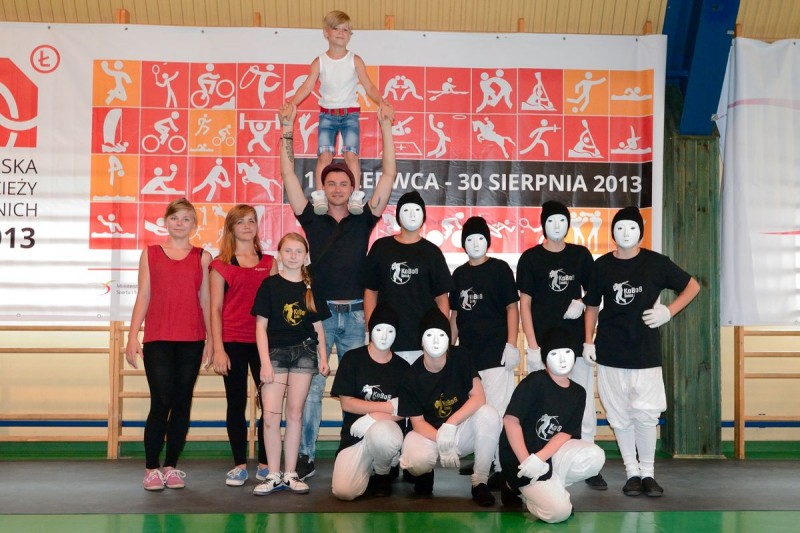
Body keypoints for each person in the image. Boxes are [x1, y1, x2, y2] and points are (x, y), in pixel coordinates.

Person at [278, 101, 397, 481]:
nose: (338, 188)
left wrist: (386, 127)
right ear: (323, 187)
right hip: (320, 316)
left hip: (357, 316)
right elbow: (288, 175)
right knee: (311, 389)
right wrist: (287, 131)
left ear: (352, 187)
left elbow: (389, 175)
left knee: (358, 390)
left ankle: (353, 450)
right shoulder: (311, 218)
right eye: (331, 183)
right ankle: (305, 455)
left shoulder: (364, 220)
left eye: (344, 183)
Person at [582, 206, 701, 497]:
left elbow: (692, 286)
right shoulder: (602, 265)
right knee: (620, 416)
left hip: (646, 352)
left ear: (641, 232)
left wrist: (668, 311)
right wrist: (588, 341)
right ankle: (631, 473)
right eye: (620, 227)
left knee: (646, 415)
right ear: (613, 233)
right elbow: (592, 306)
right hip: (611, 351)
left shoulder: (656, 263)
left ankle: (648, 473)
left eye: (632, 227)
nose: (626, 233)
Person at [515, 200, 607, 489]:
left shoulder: (580, 255)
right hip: (544, 350)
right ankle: (536, 457)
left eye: (562, 221)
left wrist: (581, 306)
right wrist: (532, 347)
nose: (557, 226)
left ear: (569, 225)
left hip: (575, 347)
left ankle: (589, 462)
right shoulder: (530, 258)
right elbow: (524, 304)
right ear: (543, 225)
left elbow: (595, 293)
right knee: (539, 404)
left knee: (583, 404)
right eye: (551, 221)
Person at [125, 198, 213, 491]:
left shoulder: (203, 257)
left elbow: (206, 301)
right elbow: (143, 295)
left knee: (182, 402)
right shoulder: (150, 253)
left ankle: (171, 466)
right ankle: (151, 468)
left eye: (186, 219)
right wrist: (132, 336)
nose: (180, 223)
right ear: (166, 221)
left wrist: (212, 340)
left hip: (192, 339)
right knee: (161, 400)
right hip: (158, 338)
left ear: (194, 224)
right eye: (175, 218)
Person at [289, 10, 394, 215]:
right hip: (327, 115)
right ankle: (320, 196)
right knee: (324, 156)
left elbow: (369, 86)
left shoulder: (355, 60)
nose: (341, 33)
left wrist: (383, 102)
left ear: (350, 35)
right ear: (326, 33)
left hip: (350, 115)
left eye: (346, 30)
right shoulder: (320, 61)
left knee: (351, 155)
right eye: (336, 28)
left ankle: (355, 197)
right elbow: (307, 86)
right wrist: (291, 103)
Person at [250, 232, 331, 496]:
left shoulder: (311, 287)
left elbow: (318, 326)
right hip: (275, 353)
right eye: (288, 251)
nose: (293, 256)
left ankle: (291, 473)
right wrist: (265, 363)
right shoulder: (270, 285)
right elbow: (260, 327)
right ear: (279, 255)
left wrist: (323, 357)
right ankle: (273, 474)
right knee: (271, 416)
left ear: (305, 256)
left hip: (304, 352)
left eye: (298, 251)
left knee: (295, 414)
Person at [499, 328, 605, 523]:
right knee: (559, 513)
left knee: (595, 456)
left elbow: (566, 432)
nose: (563, 359)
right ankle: (513, 486)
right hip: (520, 459)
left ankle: (550, 488)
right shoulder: (535, 381)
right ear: (545, 358)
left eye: (567, 352)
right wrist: (527, 461)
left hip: (547, 456)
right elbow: (511, 420)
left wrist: (540, 458)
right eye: (555, 354)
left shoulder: (578, 392)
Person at [398, 307, 501, 507]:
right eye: (429, 335)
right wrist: (442, 439)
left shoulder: (461, 357)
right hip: (429, 435)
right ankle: (425, 473)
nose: (436, 341)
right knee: (415, 460)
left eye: (441, 335)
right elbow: (417, 423)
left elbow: (479, 397)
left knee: (489, 415)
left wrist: (450, 425)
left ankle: (479, 481)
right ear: (421, 341)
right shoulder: (411, 376)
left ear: (449, 340)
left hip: (459, 431)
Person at [209, 205, 278, 487]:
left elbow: (276, 306)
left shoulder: (270, 262)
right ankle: (239, 465)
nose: (247, 226)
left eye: (251, 221)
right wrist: (218, 348)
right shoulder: (221, 265)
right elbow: (215, 309)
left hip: (264, 344)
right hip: (233, 342)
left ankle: (265, 463)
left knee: (269, 405)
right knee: (235, 404)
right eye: (241, 222)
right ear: (231, 228)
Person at [449, 216, 519, 484]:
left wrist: (511, 344)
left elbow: (512, 307)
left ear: (488, 242)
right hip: (469, 359)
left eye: (480, 238)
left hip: (496, 355)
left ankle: (501, 469)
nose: (475, 244)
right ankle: (484, 460)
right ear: (463, 244)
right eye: (470, 239)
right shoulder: (459, 274)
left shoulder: (500, 269)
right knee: (477, 412)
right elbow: (455, 315)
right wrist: (448, 349)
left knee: (498, 411)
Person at [364, 191, 454, 365]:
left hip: (423, 342)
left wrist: (442, 333)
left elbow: (442, 299)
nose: (412, 215)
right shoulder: (381, 248)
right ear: (398, 216)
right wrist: (370, 330)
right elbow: (370, 292)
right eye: (406, 210)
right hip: (386, 339)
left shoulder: (432, 252)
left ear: (424, 216)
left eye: (417, 210)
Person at [330, 302, 409, 500]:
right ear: (370, 330)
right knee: (344, 491)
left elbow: (405, 409)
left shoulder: (403, 367)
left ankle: (383, 472)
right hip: (355, 436)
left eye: (390, 331)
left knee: (383, 435)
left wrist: (374, 417)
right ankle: (367, 466)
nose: (384, 336)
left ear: (396, 334)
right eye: (379, 329)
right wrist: (387, 406)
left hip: (386, 431)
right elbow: (347, 402)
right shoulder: (352, 359)